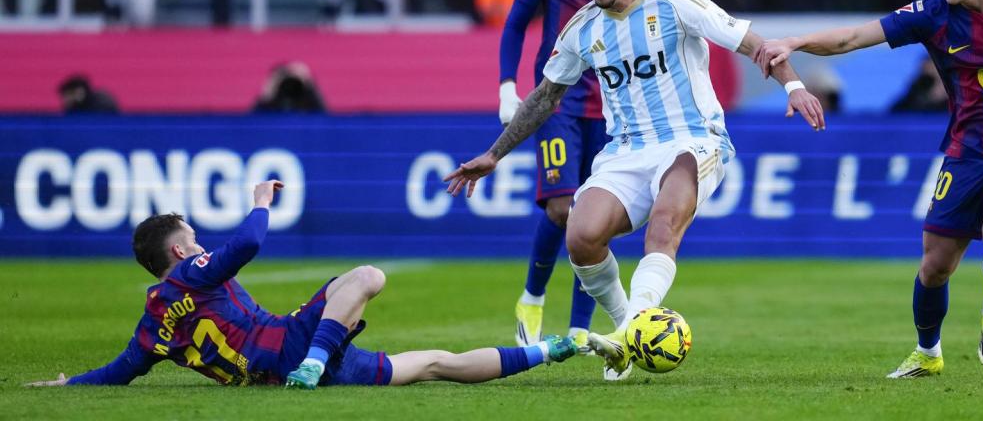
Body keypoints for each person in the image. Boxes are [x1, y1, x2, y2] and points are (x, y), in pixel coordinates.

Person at [451, 0, 824, 380]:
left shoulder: (676, 3)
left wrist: (795, 86)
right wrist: (495, 154)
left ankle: (628, 337)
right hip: (626, 150)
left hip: (693, 139)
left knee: (665, 223)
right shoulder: (581, 29)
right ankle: (627, 332)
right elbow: (546, 96)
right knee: (581, 236)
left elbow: (753, 44)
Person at [756, 0, 983, 378]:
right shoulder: (934, 13)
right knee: (934, 265)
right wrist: (795, 41)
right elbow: (855, 37)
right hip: (966, 150)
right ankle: (927, 353)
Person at [27, 181, 581, 389]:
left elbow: (118, 372)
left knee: (431, 363)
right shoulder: (192, 275)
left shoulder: (153, 323)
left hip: (268, 370)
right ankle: (318, 360)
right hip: (290, 346)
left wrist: (67, 386)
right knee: (369, 277)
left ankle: (544, 350)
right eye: (193, 238)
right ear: (178, 251)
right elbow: (246, 245)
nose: (200, 245)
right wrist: (260, 204)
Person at [498, 0, 660, 365]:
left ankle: (578, 330)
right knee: (562, 209)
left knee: (595, 222)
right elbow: (514, 24)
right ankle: (532, 296)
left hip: (615, 106)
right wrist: (508, 87)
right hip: (560, 100)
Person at [252, 62, 326, 113]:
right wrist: (266, 94)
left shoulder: (306, 98)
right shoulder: (272, 100)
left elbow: (323, 117)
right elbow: (254, 122)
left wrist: (309, 83)